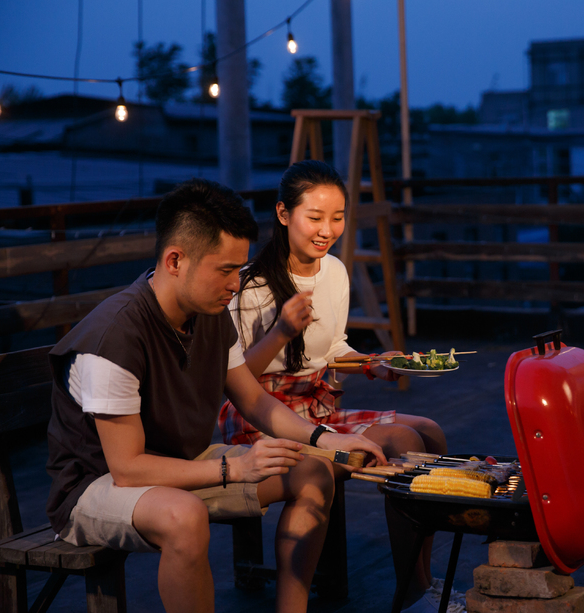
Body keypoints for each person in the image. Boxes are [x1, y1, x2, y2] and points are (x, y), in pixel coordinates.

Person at [45, 178, 385, 613]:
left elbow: (254, 400)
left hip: (180, 466)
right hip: (96, 485)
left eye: (239, 269)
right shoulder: (116, 337)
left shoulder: (207, 313)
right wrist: (235, 466)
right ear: (175, 260)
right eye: (225, 269)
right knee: (183, 516)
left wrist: (328, 441)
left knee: (314, 473)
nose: (235, 283)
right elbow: (128, 469)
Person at [217, 160, 458, 613]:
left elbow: (332, 351)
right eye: (315, 217)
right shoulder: (249, 286)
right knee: (405, 443)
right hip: (258, 416)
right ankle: (415, 595)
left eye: (338, 217)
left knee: (430, 433)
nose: (327, 229)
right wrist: (279, 333)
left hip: (316, 406)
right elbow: (238, 380)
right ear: (284, 214)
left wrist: (372, 364)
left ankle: (419, 587)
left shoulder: (335, 272)